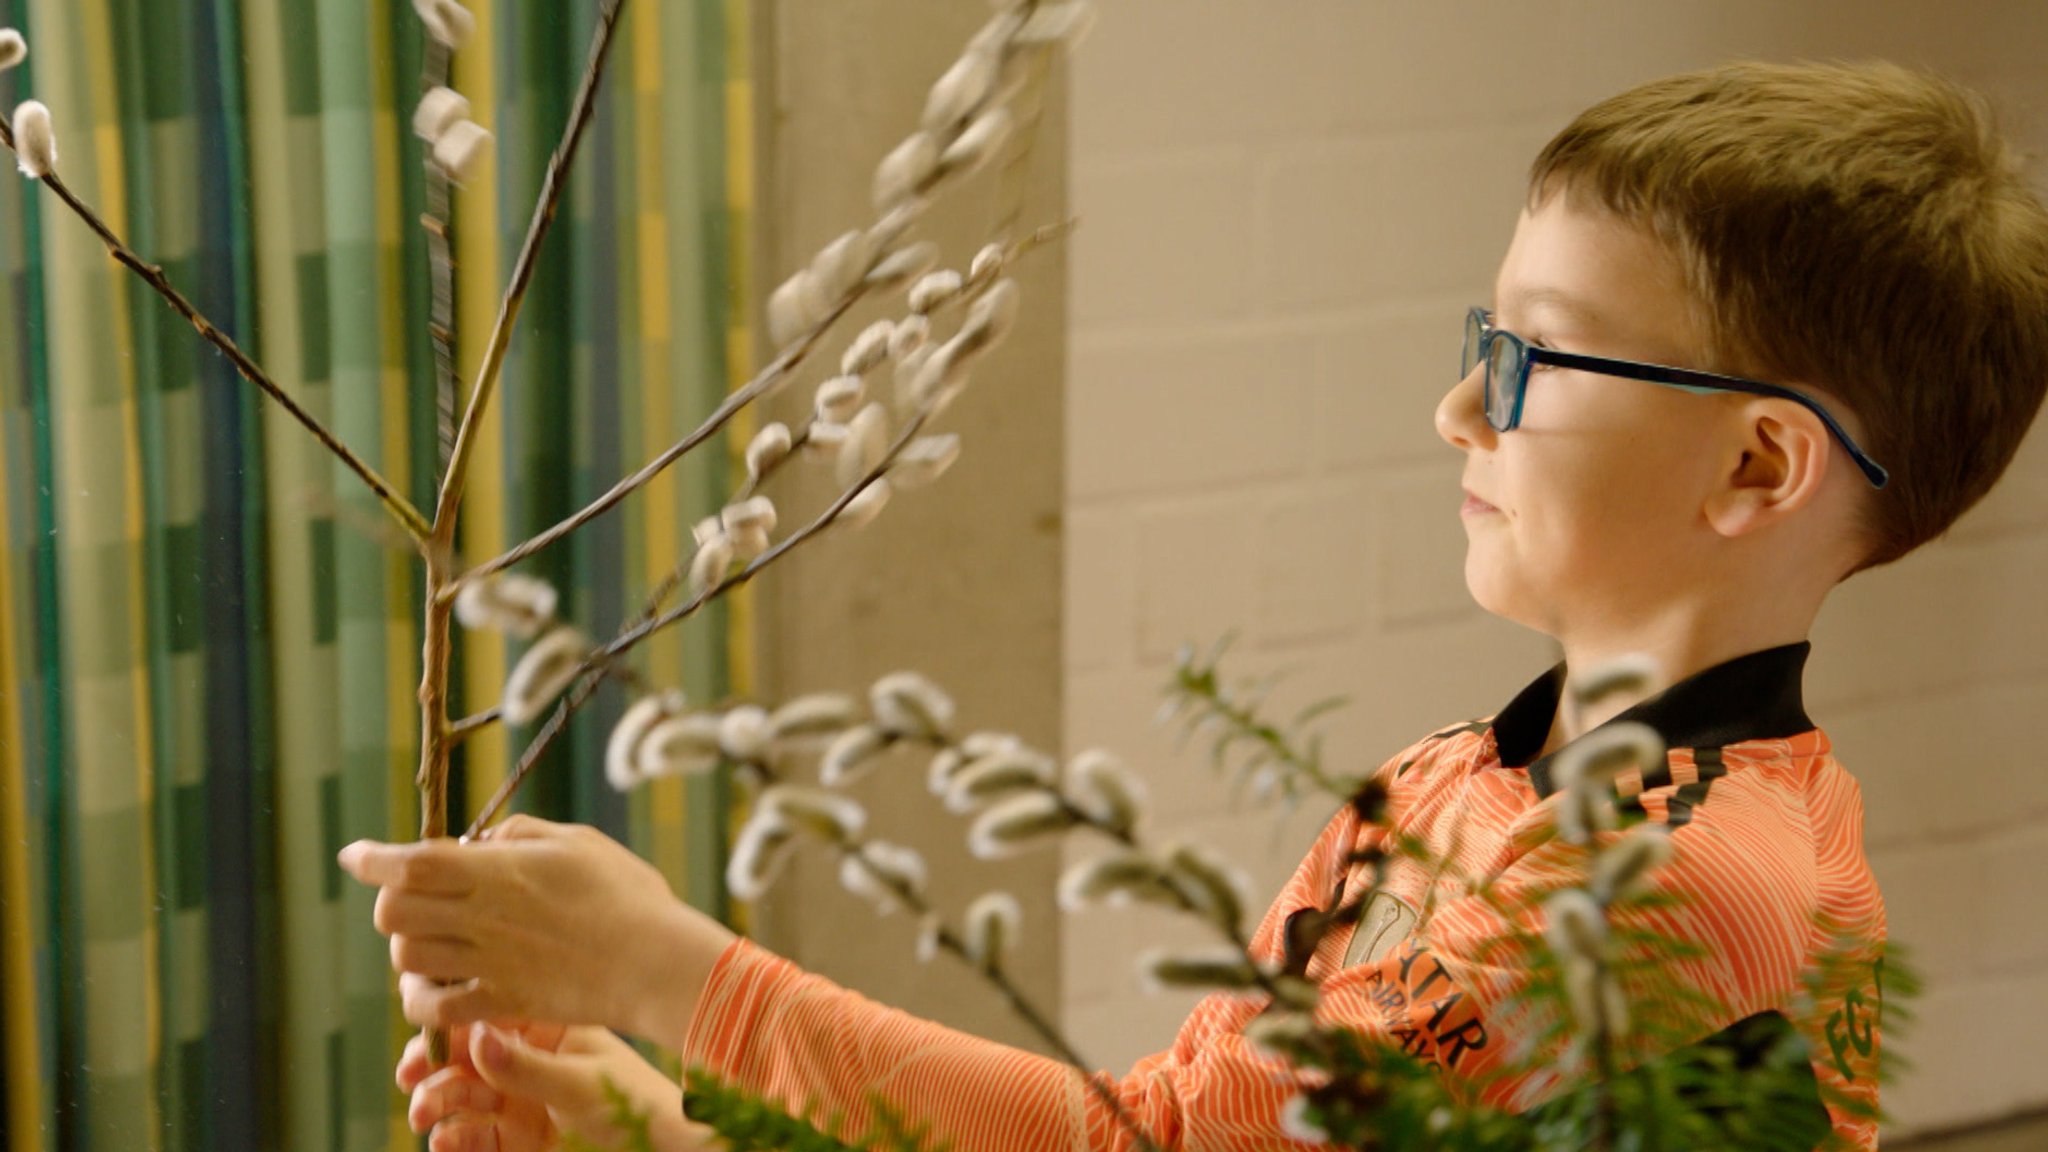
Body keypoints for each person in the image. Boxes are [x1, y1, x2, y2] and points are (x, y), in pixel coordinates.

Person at [340, 59, 2048, 1152]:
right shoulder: (1463, 776)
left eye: (1533, 360)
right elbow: (1166, 1118)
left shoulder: (1684, 890)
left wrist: (669, 979)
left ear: (1758, 470)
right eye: (1482, 345)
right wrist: (676, 1125)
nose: (1461, 411)